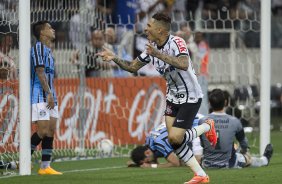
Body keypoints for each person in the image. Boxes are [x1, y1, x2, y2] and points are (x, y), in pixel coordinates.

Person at [97, 12, 217, 184]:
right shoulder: (151, 48)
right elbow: (132, 67)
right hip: (172, 97)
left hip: (190, 96)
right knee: (173, 141)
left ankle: (207, 126)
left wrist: (158, 54)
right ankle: (201, 176)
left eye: (149, 26)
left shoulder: (177, 42)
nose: (145, 28)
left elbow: (183, 64)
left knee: (176, 137)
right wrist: (114, 58)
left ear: (160, 30)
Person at [198, 89, 273, 169]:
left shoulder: (202, 121)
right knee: (245, 158)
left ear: (209, 103)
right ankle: (264, 160)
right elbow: (244, 143)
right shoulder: (234, 121)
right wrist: (244, 151)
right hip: (228, 164)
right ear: (226, 102)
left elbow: (203, 144)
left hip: (207, 164)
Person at [30, 21, 62, 175]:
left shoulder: (49, 50)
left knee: (50, 130)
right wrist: (48, 93)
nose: (53, 29)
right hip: (40, 94)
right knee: (42, 131)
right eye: (49, 27)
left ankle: (45, 167)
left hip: (51, 94)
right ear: (42, 32)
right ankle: (22, 160)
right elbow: (40, 72)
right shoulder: (37, 48)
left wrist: (52, 93)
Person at [128, 114, 205, 168]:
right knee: (184, 160)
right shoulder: (149, 142)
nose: (147, 163)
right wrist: (136, 164)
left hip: (197, 124)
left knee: (193, 163)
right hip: (189, 122)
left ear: (147, 153)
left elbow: (175, 163)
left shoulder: (158, 142)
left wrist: (152, 166)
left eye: (146, 161)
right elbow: (155, 160)